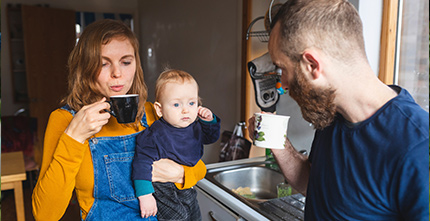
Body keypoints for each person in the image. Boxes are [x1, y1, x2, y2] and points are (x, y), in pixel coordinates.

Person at [248, 0, 429, 220]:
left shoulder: (417, 146)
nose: (283, 84)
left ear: (312, 65)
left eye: (282, 69)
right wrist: (278, 144)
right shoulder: (331, 115)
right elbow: (312, 184)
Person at [31, 19, 207, 221]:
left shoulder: (153, 112)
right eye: (103, 63)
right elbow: (45, 214)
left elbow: (199, 167)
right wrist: (75, 137)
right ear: (86, 67)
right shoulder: (65, 120)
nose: (117, 73)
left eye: (126, 62)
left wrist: (179, 174)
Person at [132, 69, 221, 220]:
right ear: (159, 110)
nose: (186, 110)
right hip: (163, 188)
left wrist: (209, 120)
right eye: (176, 104)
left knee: (194, 216)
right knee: (177, 217)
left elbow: (211, 138)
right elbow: (141, 163)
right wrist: (145, 195)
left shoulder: (195, 126)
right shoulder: (154, 135)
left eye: (191, 103)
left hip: (187, 185)